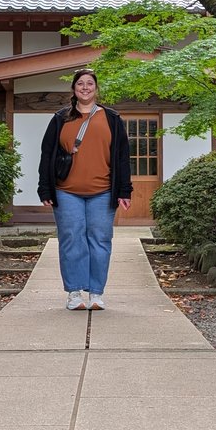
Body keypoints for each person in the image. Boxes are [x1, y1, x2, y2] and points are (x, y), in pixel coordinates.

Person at [37, 68, 132, 311]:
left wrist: (124, 190)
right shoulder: (60, 118)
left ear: (96, 88)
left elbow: (122, 157)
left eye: (90, 83)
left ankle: (96, 293)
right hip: (66, 191)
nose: (85, 87)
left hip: (102, 191)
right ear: (74, 89)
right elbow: (47, 154)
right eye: (80, 84)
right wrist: (45, 189)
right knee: (71, 239)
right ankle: (74, 293)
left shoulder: (111, 118)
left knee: (100, 240)